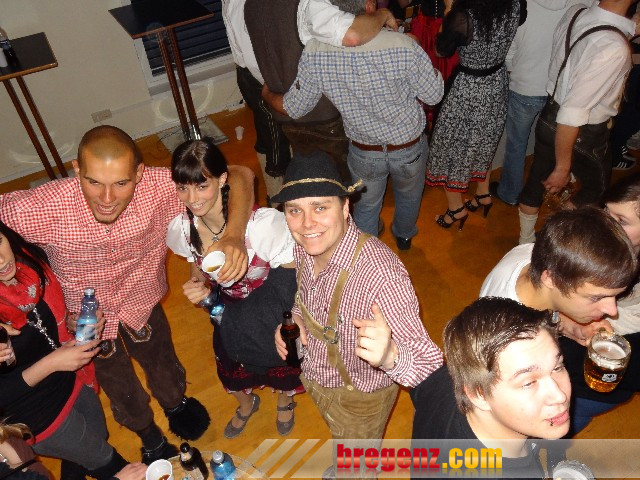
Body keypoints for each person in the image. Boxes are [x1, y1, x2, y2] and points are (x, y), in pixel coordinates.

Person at [0, 125, 255, 463]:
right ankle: (147, 433)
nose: (107, 199)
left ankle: (176, 404)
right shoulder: (43, 207)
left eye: (121, 183)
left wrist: (234, 235)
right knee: (118, 384)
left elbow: (239, 174)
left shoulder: (159, 186)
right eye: (94, 182)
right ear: (76, 169)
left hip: (144, 302)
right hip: (85, 324)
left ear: (140, 172)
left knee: (162, 363)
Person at [272, 151, 443, 453]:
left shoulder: (381, 275)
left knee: (357, 465)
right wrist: (297, 317)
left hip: (360, 400)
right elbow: (305, 294)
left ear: (345, 206)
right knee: (343, 444)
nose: (307, 223)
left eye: (320, 207)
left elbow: (431, 367)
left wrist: (390, 356)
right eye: (295, 210)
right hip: (315, 375)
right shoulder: (304, 247)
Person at [262, 0, 444, 250]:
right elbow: (434, 95)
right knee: (409, 196)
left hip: (363, 149)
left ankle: (367, 254)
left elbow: (295, 107)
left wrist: (267, 94)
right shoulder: (403, 45)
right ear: (369, 6)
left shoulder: (314, 51)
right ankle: (404, 237)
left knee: (366, 205)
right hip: (409, 146)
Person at [166, 138, 303, 438]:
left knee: (280, 356)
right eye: (183, 188)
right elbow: (195, 265)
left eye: (202, 186)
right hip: (225, 308)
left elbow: (292, 274)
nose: (192, 199)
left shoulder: (262, 225)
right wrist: (197, 284)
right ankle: (246, 403)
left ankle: (284, 399)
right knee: (229, 361)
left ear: (222, 179)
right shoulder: (182, 229)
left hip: (269, 305)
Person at [479, 207, 639, 434]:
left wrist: (573, 328)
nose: (612, 311)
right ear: (551, 279)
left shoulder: (529, 254)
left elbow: (546, 310)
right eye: (597, 297)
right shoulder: (515, 341)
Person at [222, 0, 397, 202]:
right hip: (324, 115)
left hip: (287, 113)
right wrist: (383, 14)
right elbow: (353, 35)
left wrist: (270, 95)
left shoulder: (250, 5)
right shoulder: (306, 4)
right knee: (343, 187)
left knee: (314, 178)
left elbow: (248, 59)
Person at [0, 221, 129, 479]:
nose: (1, 260)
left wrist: (73, 323)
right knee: (109, 461)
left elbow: (47, 321)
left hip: (71, 378)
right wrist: (52, 363)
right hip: (36, 413)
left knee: (96, 439)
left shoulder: (30, 261)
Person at [517, 0, 638, 244]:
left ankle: (525, 241)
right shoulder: (613, 47)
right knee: (596, 192)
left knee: (536, 182)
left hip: (549, 115)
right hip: (584, 132)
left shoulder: (577, 12)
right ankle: (554, 238)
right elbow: (571, 114)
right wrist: (563, 168)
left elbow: (595, 42)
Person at [412, 297, 571, 478]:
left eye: (557, 367)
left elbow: (421, 391)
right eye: (528, 383)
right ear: (478, 395)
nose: (560, 396)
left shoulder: (443, 379)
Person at [425, 0, 526, 230]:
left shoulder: (463, 17)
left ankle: (456, 210)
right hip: (496, 84)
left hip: (469, 89)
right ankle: (483, 194)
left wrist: (449, 10)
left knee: (452, 149)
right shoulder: (514, 4)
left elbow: (441, 50)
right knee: (483, 142)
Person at [490, 0, 590, 206]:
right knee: (551, 147)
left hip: (524, 86)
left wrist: (516, 71)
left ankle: (510, 193)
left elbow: (509, 51)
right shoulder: (583, 3)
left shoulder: (519, 5)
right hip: (560, 89)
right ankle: (541, 194)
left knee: (516, 145)